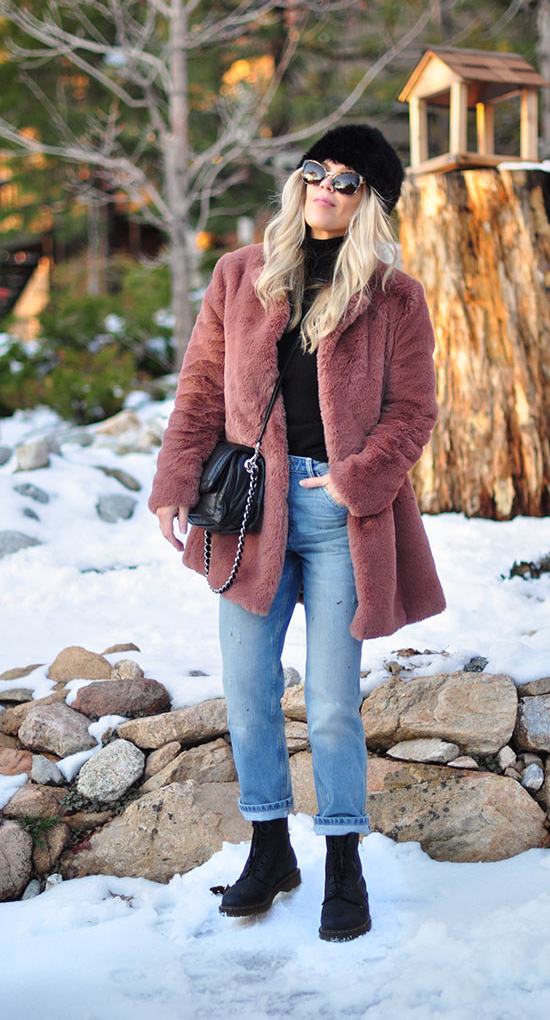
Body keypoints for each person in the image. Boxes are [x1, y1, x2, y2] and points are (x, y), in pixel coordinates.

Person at [149, 124, 446, 942]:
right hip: (250, 510)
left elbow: (413, 411)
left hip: (339, 514)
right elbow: (203, 387)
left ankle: (343, 861)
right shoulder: (240, 274)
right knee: (247, 691)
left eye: (346, 181)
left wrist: (355, 479)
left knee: (329, 705)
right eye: (315, 170)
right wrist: (176, 479)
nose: (324, 186)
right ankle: (270, 847)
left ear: (371, 203)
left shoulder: (394, 295)